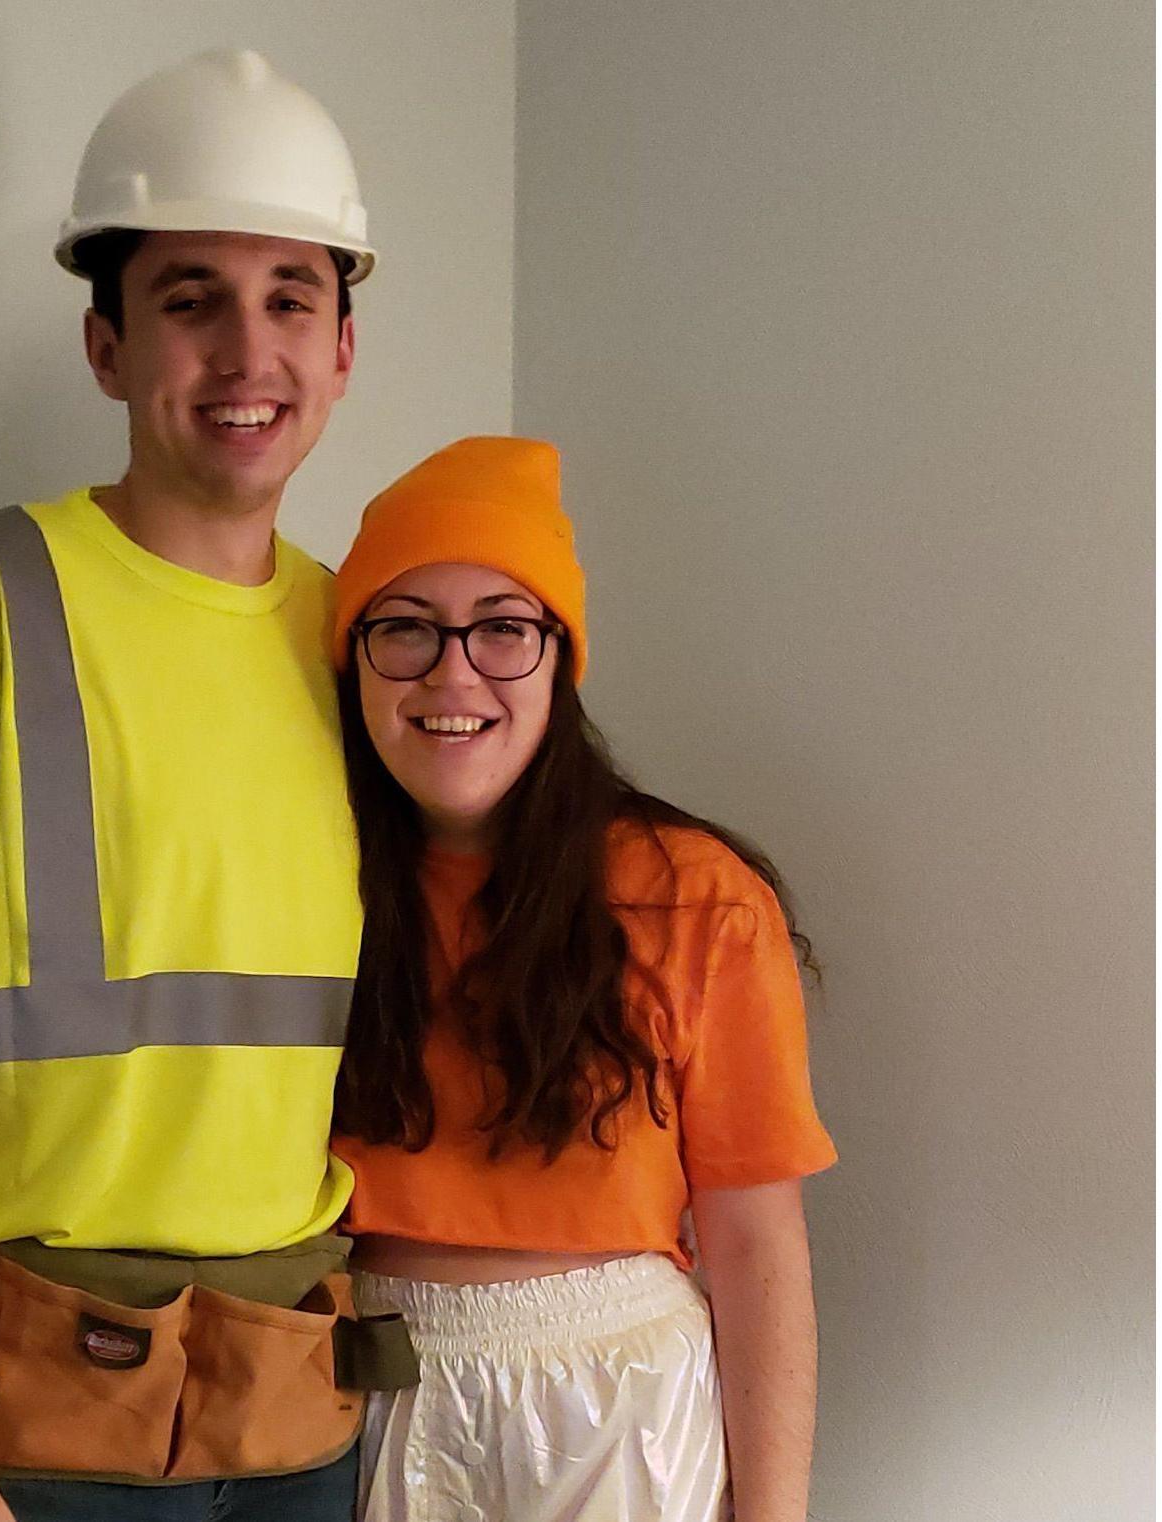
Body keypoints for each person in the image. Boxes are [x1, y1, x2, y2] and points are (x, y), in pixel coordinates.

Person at [0, 49, 379, 1522]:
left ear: (341, 352)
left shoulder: (362, 636)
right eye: (190, 299)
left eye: (289, 299)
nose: (248, 352)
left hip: (299, 1398)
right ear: (107, 348)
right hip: (41, 1423)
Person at [328, 435, 838, 1522]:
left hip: (622, 1406)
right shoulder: (304, 887)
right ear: (353, 660)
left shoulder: (691, 893)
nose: (453, 672)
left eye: (504, 629)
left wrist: (775, 1510)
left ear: (559, 657)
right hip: (360, 1389)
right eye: (406, 628)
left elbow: (754, 1242)